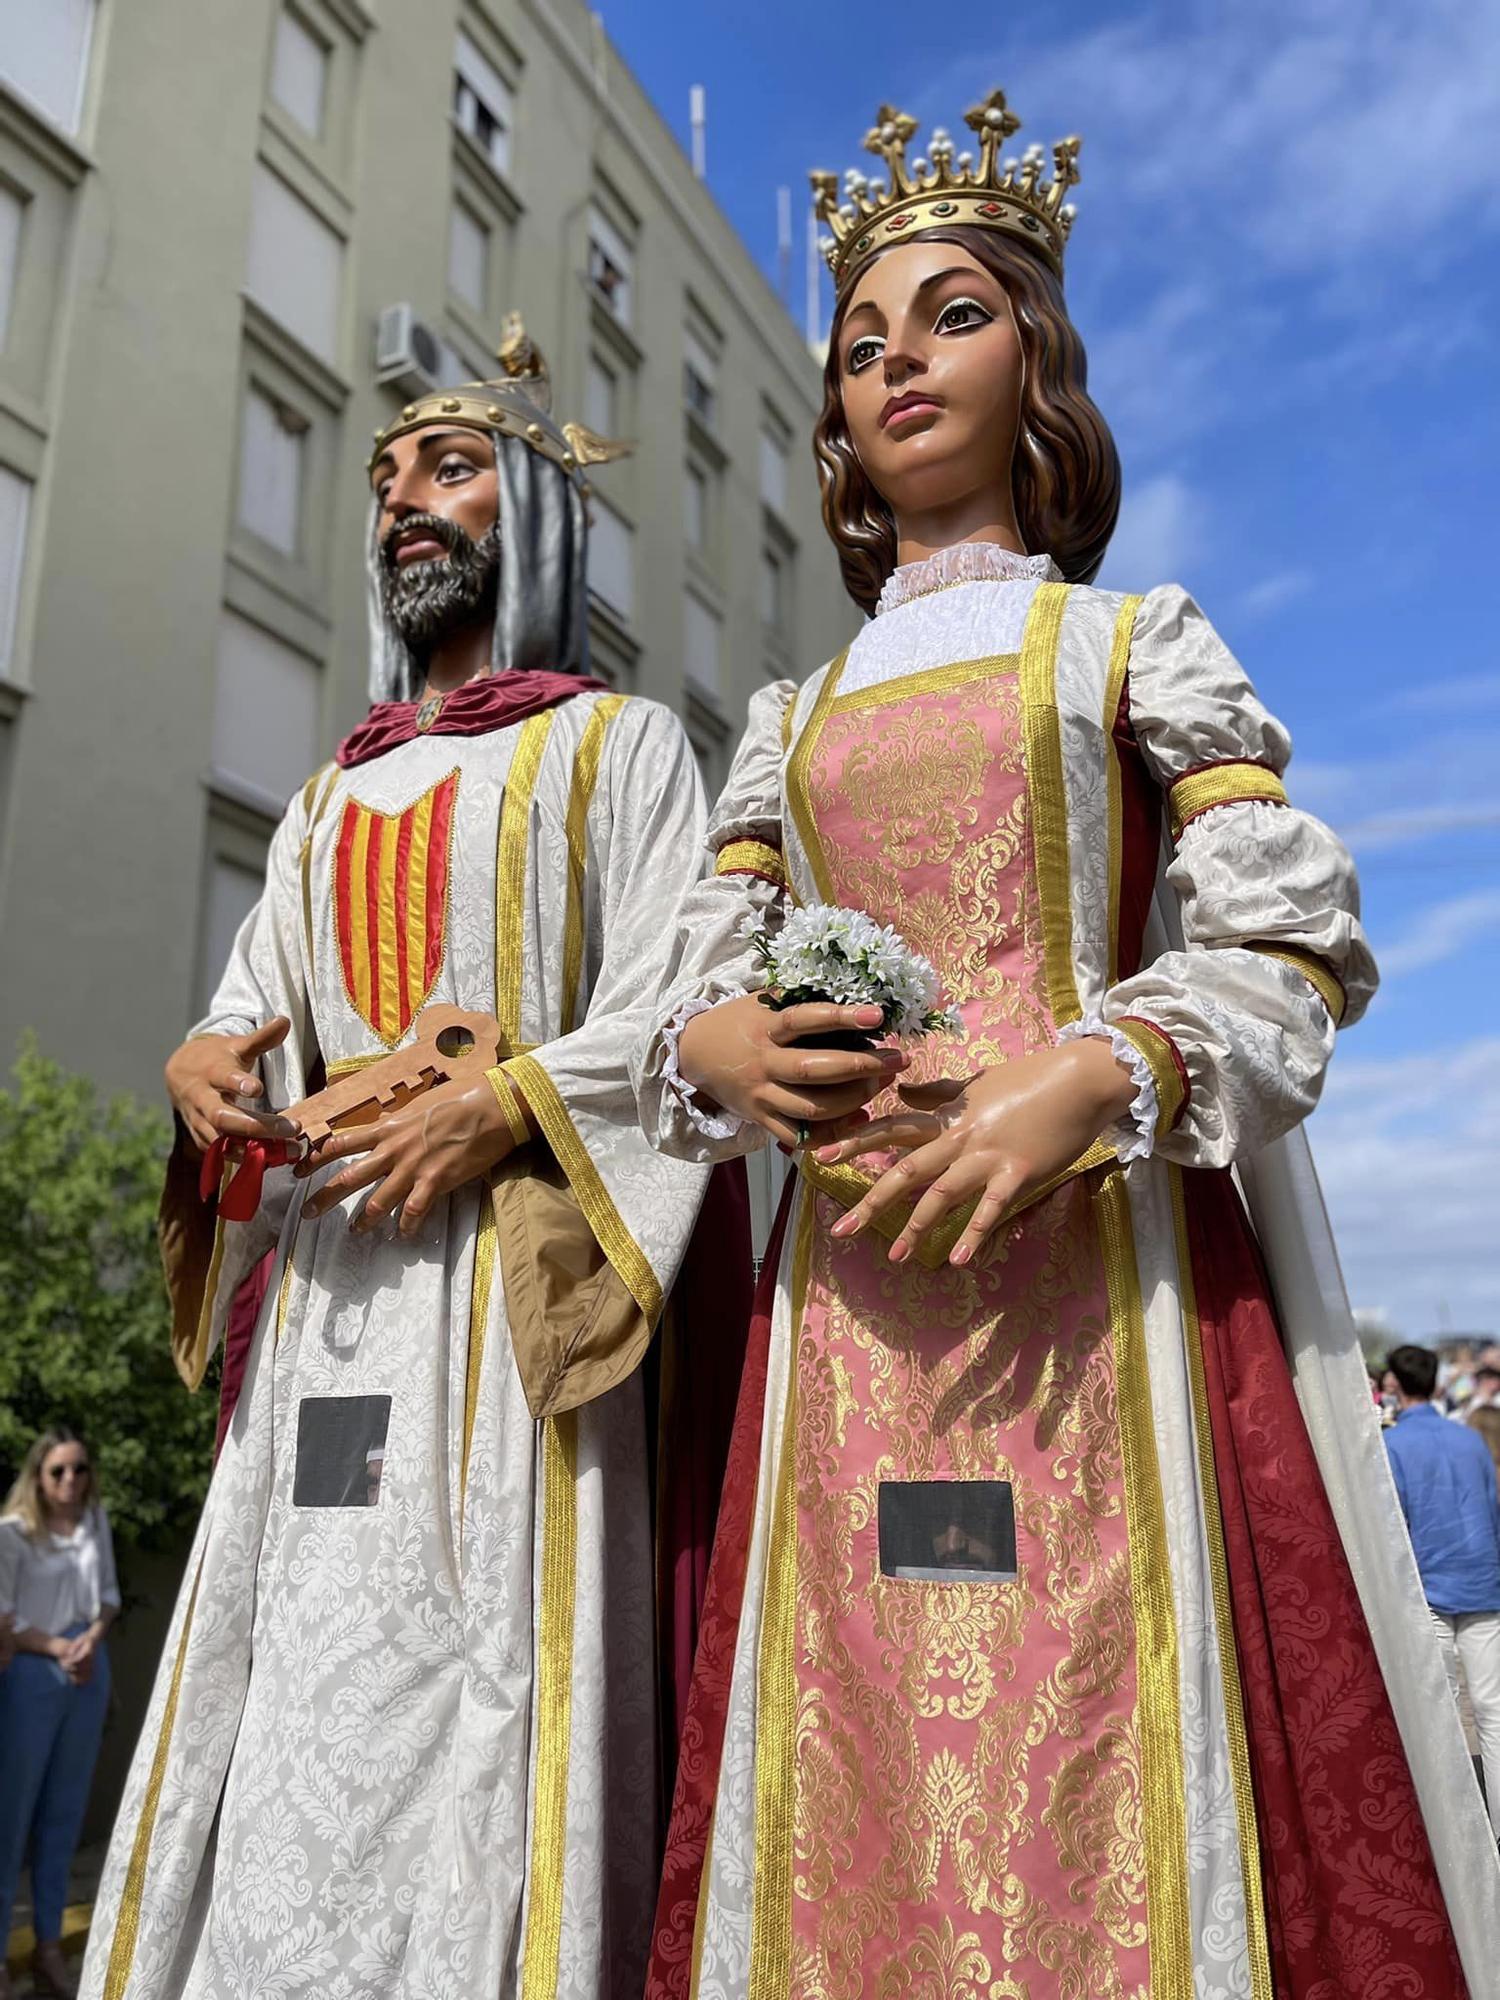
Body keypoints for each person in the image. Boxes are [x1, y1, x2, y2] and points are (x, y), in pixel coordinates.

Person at [636, 87, 1500, 1999]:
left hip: (1103, 1305)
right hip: (848, 1321)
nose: (896, 364)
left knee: (1126, 1767)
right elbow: (683, 1003)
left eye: (949, 315)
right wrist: (723, 1049)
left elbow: (1286, 942)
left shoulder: (1133, 647)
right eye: (861, 343)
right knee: (834, 1778)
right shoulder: (789, 716)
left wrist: (1091, 1074)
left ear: (1040, 358)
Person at [80, 320, 732, 2000]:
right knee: (286, 1673)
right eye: (384, 484)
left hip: (506, 1299)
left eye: (446, 470)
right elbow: (249, 1015)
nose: (402, 508)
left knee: (488, 1682)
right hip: (330, 1302)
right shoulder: (322, 802)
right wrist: (202, 1068)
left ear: (533, 506)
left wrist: (505, 1103)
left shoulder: (622, 749)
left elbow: (681, 1010)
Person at [0, 1428, 119, 2000]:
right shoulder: (13, 1534)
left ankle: (49, 1946)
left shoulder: (94, 1522)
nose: (70, 1481)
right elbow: (4, 1618)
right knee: (11, 1817)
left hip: (88, 1672)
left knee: (64, 1816)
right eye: (58, 1472)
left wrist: (90, 1640)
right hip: (32, 1674)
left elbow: (110, 1600)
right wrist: (57, 1648)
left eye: (79, 1469)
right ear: (38, 1477)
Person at [1384, 1343, 1500, 1832]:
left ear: (1394, 1385)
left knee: (1444, 1710)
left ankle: (1456, 1830)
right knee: (1492, 1711)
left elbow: (1395, 1522)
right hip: (1483, 1578)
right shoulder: (1469, 1439)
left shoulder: (1391, 1445)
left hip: (1430, 1585)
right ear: (1434, 1383)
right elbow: (1492, 1507)